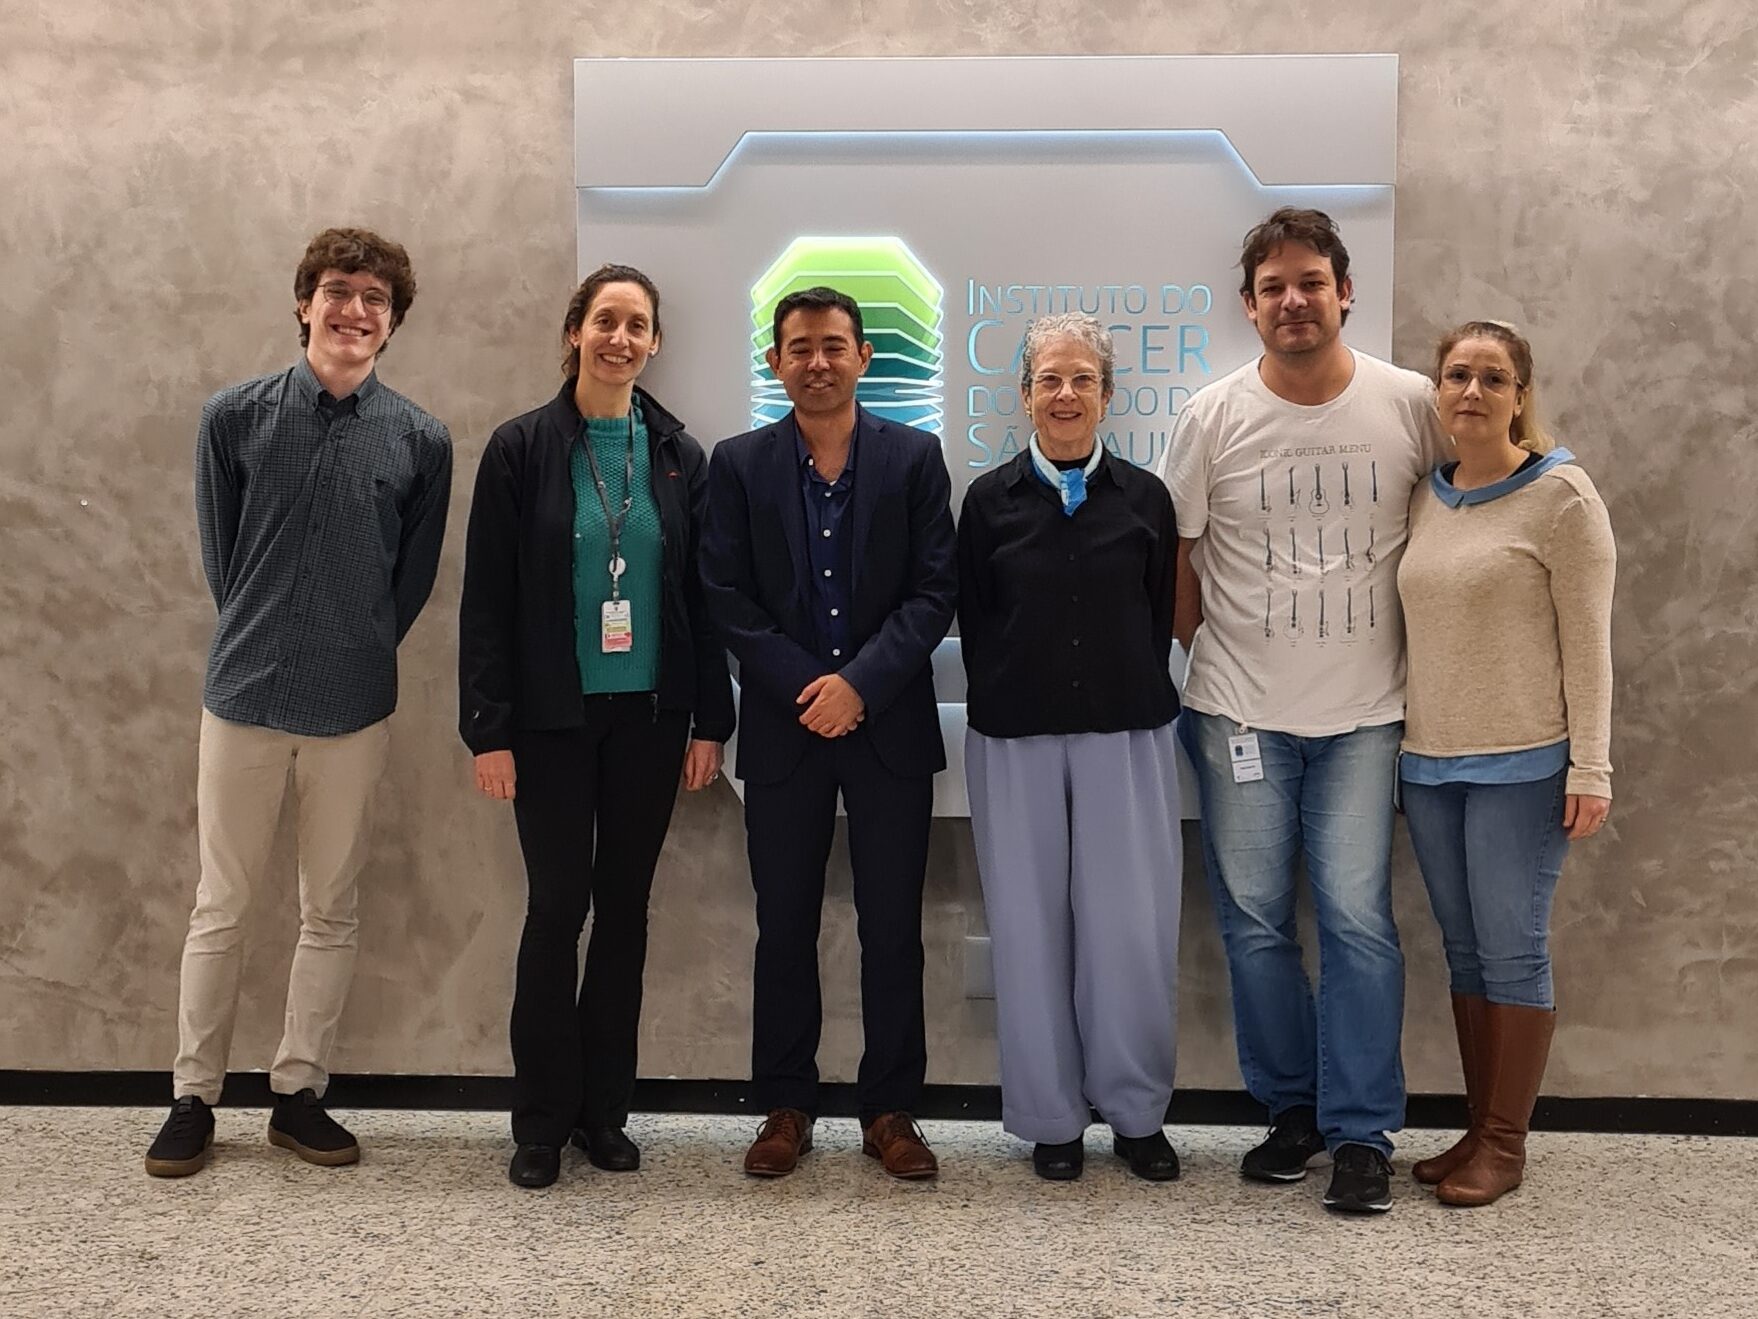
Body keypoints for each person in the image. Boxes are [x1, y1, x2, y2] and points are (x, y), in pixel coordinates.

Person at [1159, 207, 1451, 1214]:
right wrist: (1216, 659)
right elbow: (1179, 556)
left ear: (1345, 291)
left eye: (1311, 282)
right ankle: (1291, 1111)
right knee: (1252, 922)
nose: (1294, 300)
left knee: (1359, 919)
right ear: (1249, 306)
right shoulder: (1214, 415)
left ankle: (1361, 1130)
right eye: (1274, 286)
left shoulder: (1411, 403)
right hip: (1238, 710)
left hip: (1367, 715)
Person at [146, 227, 452, 1177]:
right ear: (303, 302)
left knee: (333, 907)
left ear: (392, 321)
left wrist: (353, 648)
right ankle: (193, 1097)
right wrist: (268, 631)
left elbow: (409, 584)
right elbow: (222, 556)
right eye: (338, 290)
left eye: (374, 298)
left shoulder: (421, 439)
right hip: (242, 693)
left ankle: (297, 1091)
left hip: (353, 706)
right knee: (221, 905)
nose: (354, 309)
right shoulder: (232, 417)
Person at [458, 264, 733, 1189]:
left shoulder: (677, 457)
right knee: (555, 911)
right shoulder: (521, 449)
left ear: (655, 345)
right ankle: (539, 1120)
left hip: (652, 720)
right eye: (605, 320)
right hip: (548, 722)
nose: (620, 338)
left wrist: (710, 723)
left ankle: (602, 1114)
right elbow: (486, 602)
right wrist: (485, 731)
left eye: (638, 325)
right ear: (575, 330)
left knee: (623, 917)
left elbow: (703, 598)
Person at [702, 286, 957, 1181]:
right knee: (784, 926)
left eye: (834, 345)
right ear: (775, 361)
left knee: (894, 929)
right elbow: (723, 596)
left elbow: (935, 592)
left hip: (886, 728)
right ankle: (785, 1103)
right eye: (800, 347)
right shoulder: (735, 464)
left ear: (863, 357)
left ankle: (891, 1111)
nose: (818, 360)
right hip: (784, 728)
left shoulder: (916, 457)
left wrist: (861, 684)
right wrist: (810, 686)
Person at [957, 314, 1184, 1183]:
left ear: (1108, 395)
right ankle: (1053, 1118)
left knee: (1129, 930)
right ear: (1023, 395)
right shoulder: (988, 501)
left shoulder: (1146, 499)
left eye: (1082, 378)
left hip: (1127, 734)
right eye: (1049, 379)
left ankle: (1135, 1115)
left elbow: (1159, 608)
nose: (1065, 393)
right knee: (1028, 929)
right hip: (1014, 737)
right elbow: (976, 618)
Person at [1398, 320, 1614, 1207]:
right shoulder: (1427, 495)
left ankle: (1505, 1145)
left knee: (1513, 949)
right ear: (1438, 393)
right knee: (1463, 950)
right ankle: (1476, 1128)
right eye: (1458, 375)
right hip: (1429, 760)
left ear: (1520, 393)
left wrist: (1590, 767)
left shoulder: (1563, 497)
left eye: (1494, 377)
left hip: (1525, 762)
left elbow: (1590, 644)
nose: (1473, 391)